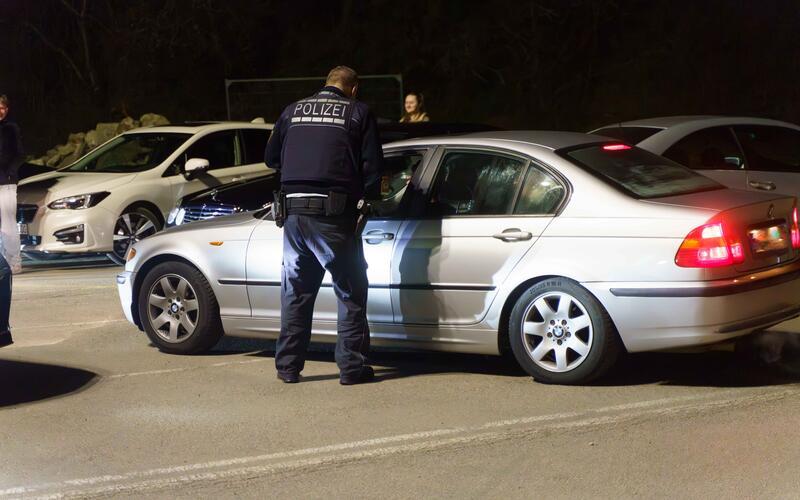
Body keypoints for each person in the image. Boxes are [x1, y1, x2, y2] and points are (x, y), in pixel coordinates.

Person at [265, 66, 384, 385]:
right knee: (351, 291)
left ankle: (287, 368)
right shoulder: (357, 112)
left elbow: (271, 158)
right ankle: (352, 368)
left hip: (292, 217)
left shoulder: (292, 110)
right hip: (333, 216)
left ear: (327, 83)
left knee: (296, 294)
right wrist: (370, 197)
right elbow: (373, 168)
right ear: (354, 88)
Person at [0, 94, 23, 348]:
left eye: (3, 107)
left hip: (6, 183)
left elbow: (19, 154)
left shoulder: (11, 129)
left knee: (8, 222)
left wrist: (10, 172)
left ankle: (13, 260)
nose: (1, 111)